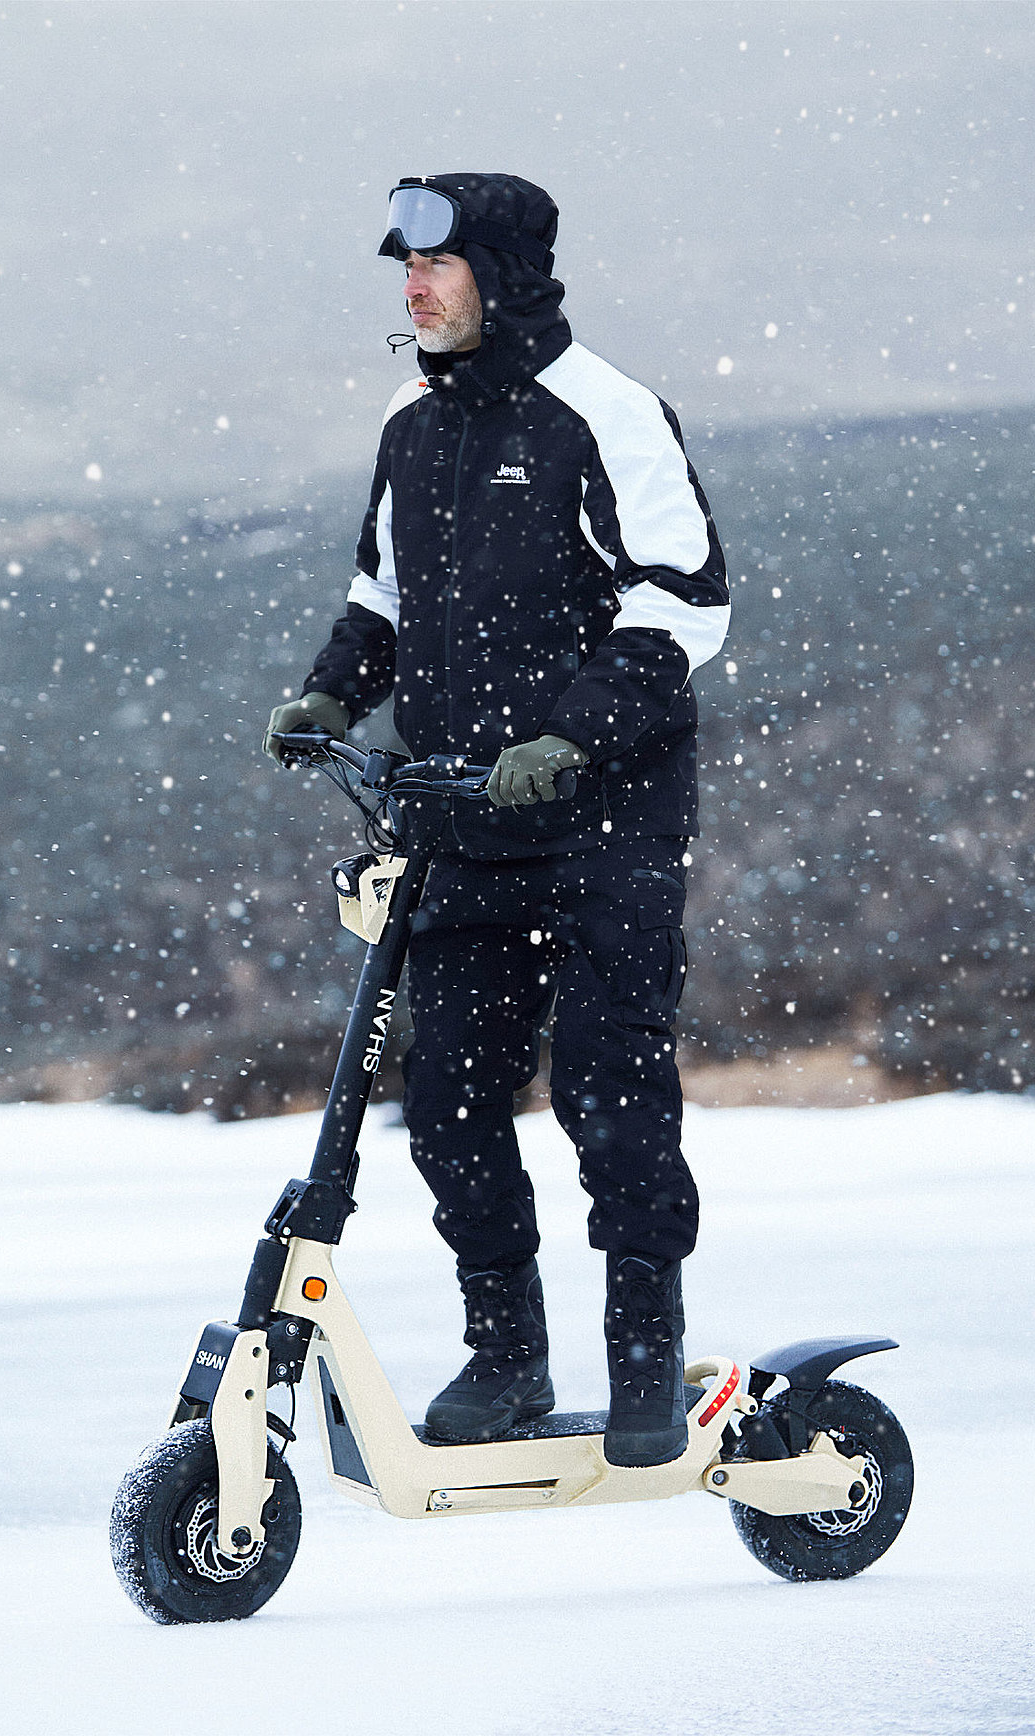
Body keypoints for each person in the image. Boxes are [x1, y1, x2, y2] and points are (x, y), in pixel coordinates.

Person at [265, 173, 729, 1467]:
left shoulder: (609, 415)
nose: (413, 292)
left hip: (604, 818)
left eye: (439, 268)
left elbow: (686, 604)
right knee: (451, 1100)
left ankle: (644, 1356)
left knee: (605, 1084)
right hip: (464, 812)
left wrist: (573, 736)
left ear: (506, 274)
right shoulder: (413, 424)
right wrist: (330, 690)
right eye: (404, 273)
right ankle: (509, 1357)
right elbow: (384, 592)